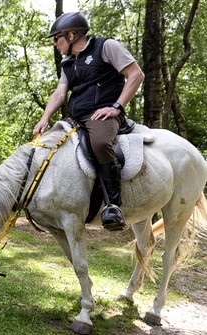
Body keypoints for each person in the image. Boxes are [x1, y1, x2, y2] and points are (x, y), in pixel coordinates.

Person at [33, 12, 145, 231]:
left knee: (101, 144)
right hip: (76, 118)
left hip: (102, 115)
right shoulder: (68, 63)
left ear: (72, 35)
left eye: (57, 38)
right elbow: (60, 94)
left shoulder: (106, 47)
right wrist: (44, 118)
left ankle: (113, 206)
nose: (55, 43)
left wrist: (116, 107)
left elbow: (136, 75)